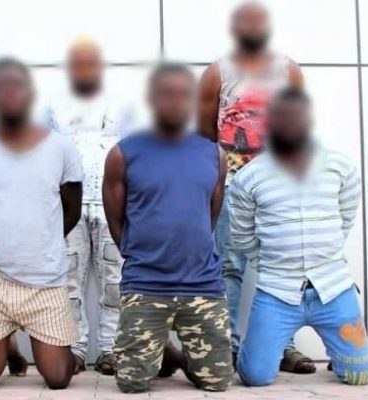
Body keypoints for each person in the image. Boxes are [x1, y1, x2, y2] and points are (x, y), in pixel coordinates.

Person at [0, 57, 83, 390]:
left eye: (17, 87)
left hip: (45, 279)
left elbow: (71, 210)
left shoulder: (62, 148)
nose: (9, 94)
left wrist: (40, 240)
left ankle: (29, 337)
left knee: (58, 378)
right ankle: (6, 341)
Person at [228, 88, 368, 386]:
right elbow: (242, 236)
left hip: (333, 289)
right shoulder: (248, 177)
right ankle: (259, 350)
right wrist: (273, 263)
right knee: (255, 377)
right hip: (276, 293)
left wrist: (324, 252)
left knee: (359, 376)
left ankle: (341, 351)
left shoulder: (340, 166)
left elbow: (346, 218)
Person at [197, 0, 313, 373]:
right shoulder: (217, 72)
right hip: (231, 188)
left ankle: (284, 347)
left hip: (279, 189)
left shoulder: (288, 71)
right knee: (228, 267)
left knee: (283, 267)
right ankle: (227, 347)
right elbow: (204, 135)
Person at [104, 64, 233, 393]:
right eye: (166, 94)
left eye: (182, 94)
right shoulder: (123, 154)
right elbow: (115, 219)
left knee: (218, 382)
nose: (174, 101)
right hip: (146, 284)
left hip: (202, 285)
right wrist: (139, 253)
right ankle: (164, 351)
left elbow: (210, 215)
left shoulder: (214, 154)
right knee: (132, 383)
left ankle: (177, 355)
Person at [40, 38, 135, 375]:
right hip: (68, 207)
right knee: (69, 282)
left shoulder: (121, 104)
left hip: (112, 204)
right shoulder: (53, 106)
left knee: (115, 281)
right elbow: (42, 154)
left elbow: (135, 153)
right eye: (78, 63)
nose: (85, 69)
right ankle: (75, 349)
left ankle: (112, 349)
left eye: (91, 62)